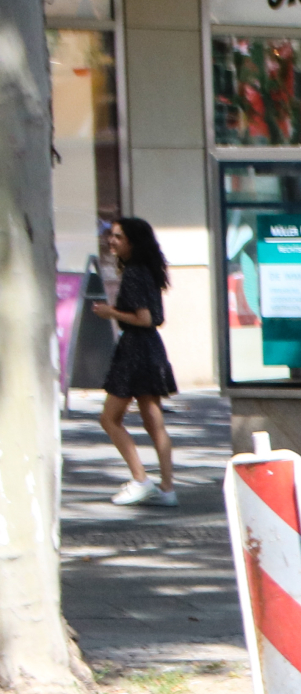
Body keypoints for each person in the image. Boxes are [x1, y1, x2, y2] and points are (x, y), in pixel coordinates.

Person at [94, 217, 179, 507]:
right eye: (111, 236)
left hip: (134, 350)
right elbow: (156, 318)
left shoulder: (133, 273)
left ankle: (140, 479)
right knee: (154, 422)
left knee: (110, 418)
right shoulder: (149, 271)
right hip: (151, 348)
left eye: (118, 237)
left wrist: (111, 312)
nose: (112, 241)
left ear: (133, 241)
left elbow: (143, 318)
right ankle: (167, 488)